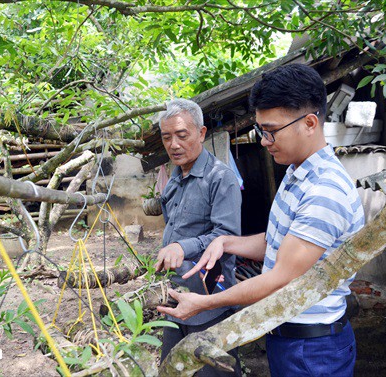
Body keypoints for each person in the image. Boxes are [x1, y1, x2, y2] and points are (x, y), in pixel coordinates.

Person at [158, 64, 365, 377]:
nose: (264, 141)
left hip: (312, 349)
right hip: (287, 335)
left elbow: (281, 277)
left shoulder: (325, 190)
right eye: (260, 131)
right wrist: (227, 241)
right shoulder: (296, 174)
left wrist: (205, 303)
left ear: (309, 123)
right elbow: (274, 243)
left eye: (271, 131)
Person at [154, 98, 242, 376]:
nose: (173, 145)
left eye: (182, 135)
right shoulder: (175, 180)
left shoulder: (220, 178)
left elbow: (227, 237)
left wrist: (183, 245)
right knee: (172, 369)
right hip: (175, 295)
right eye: (167, 137)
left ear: (201, 133)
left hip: (209, 301)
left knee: (213, 370)